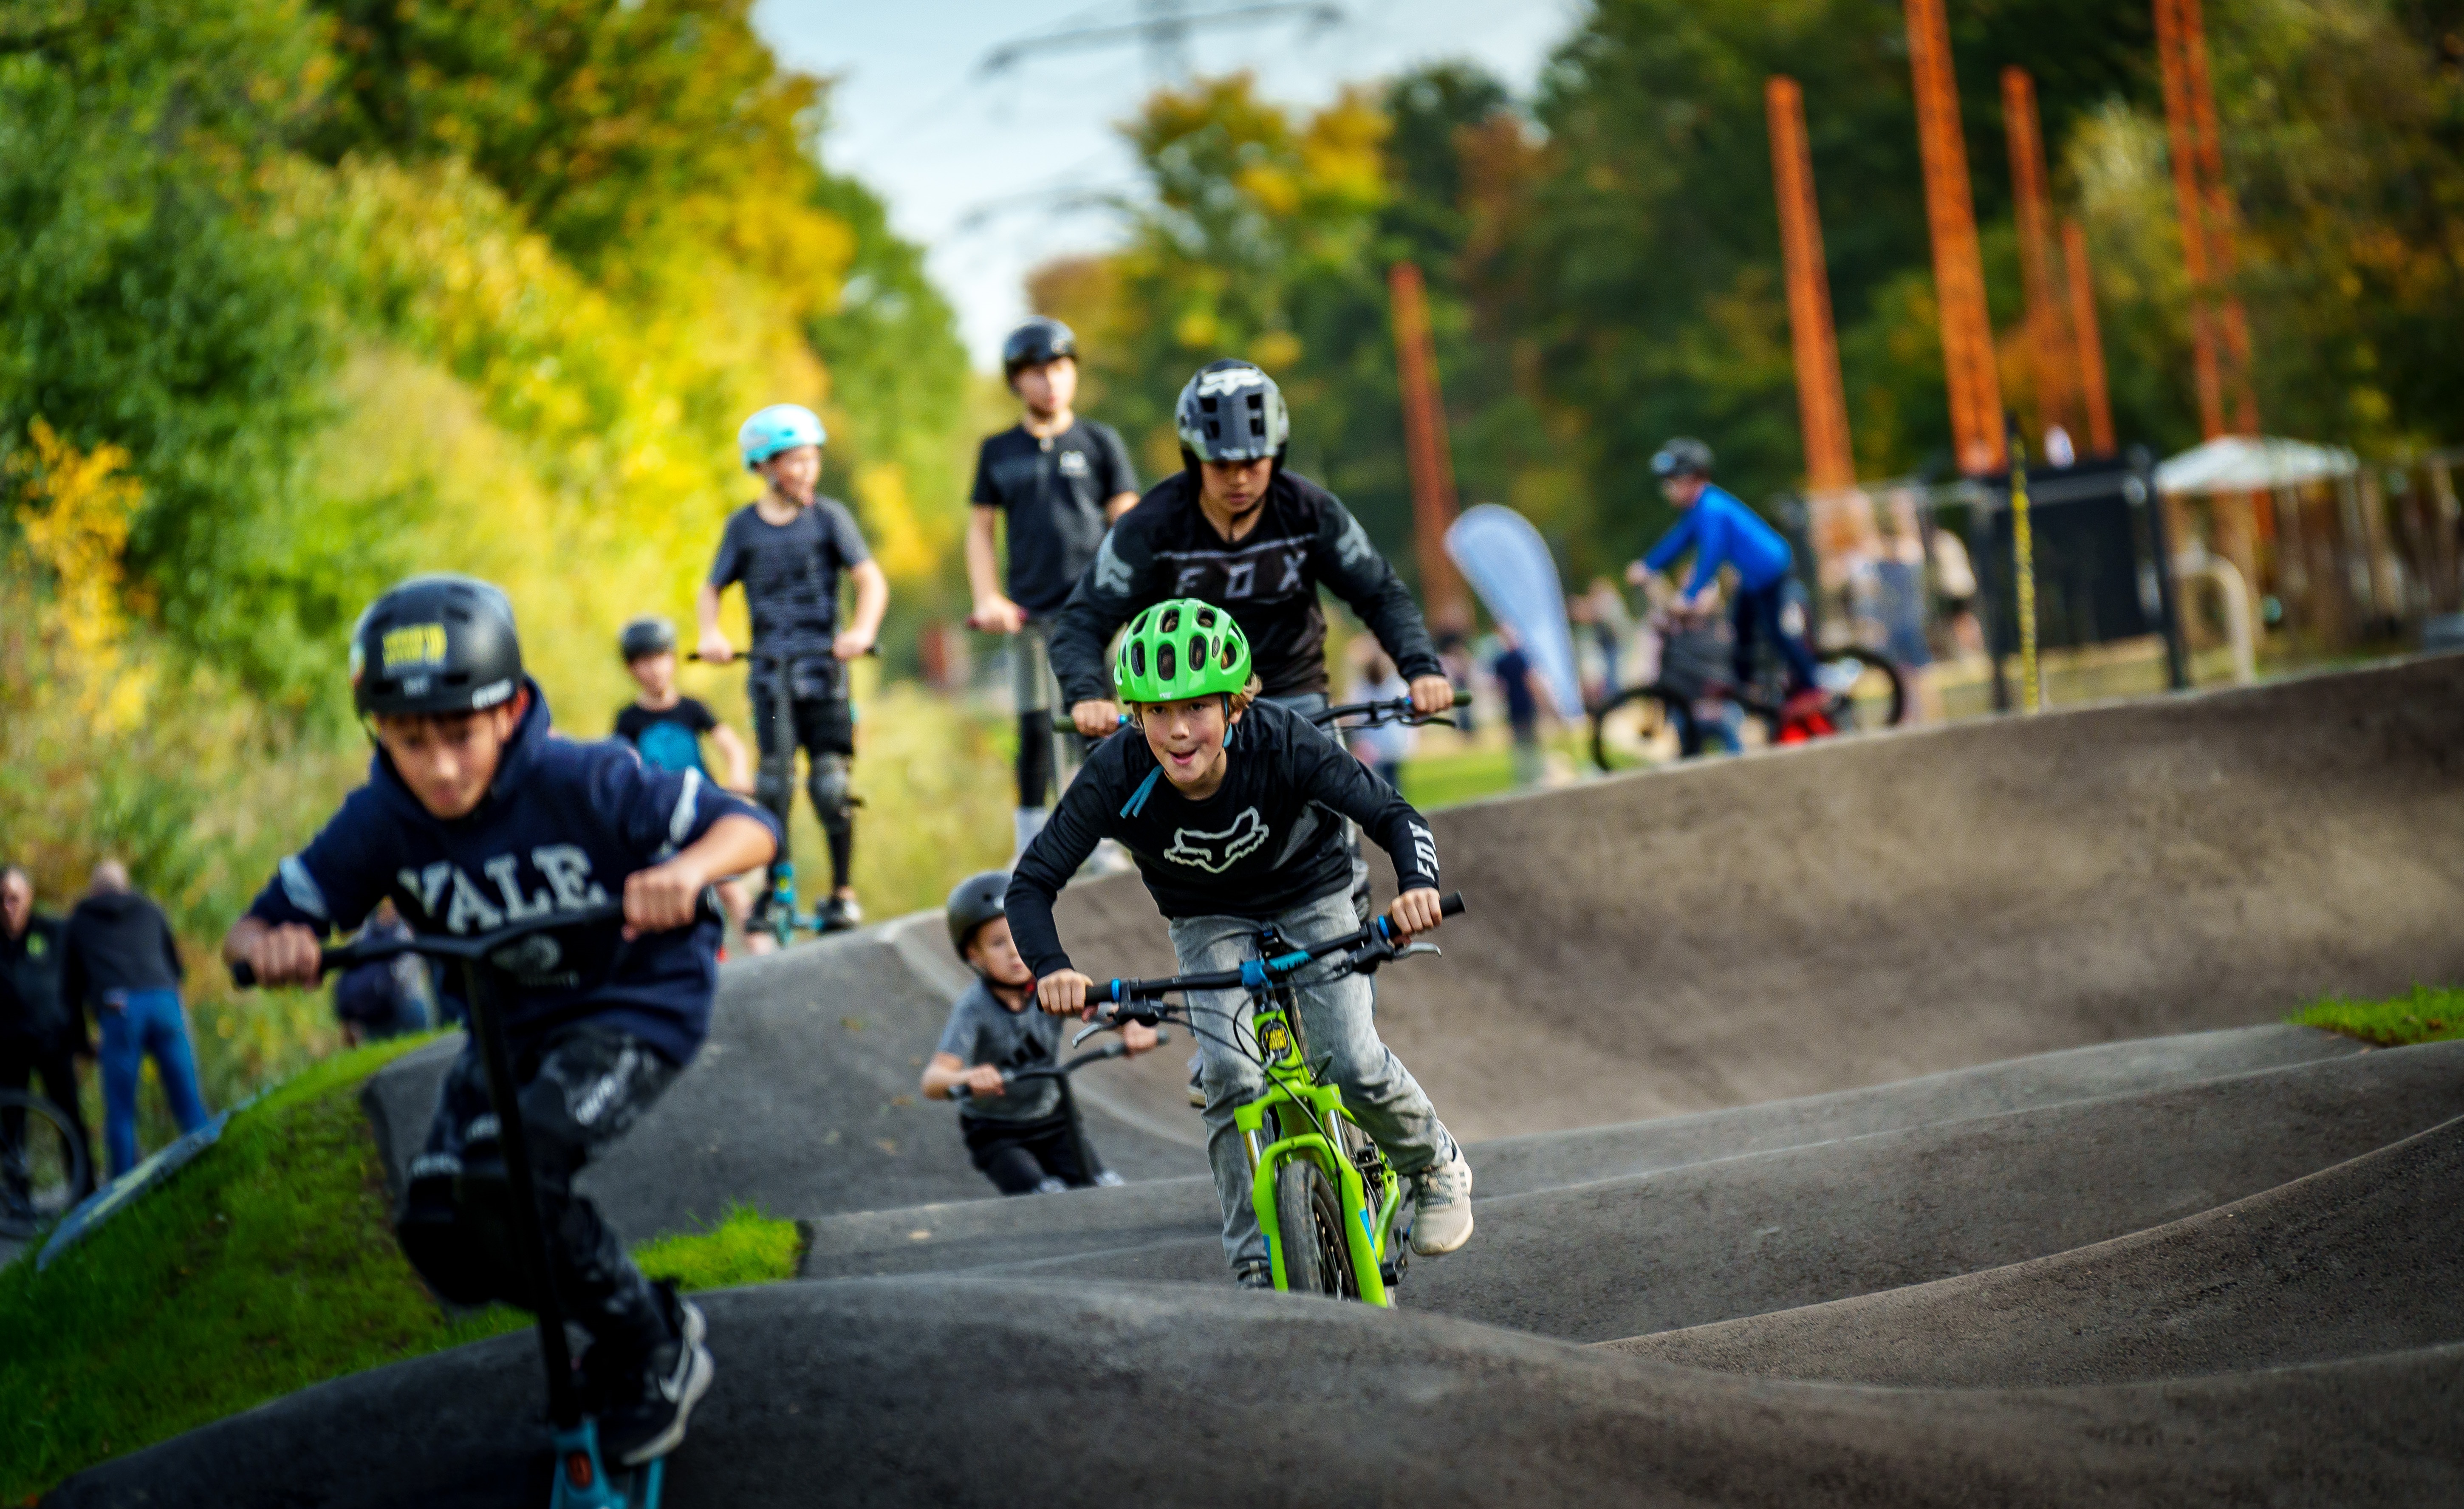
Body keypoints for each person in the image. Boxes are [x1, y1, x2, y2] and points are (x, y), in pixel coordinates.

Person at [224, 574, 779, 1467]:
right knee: (443, 1232)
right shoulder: (381, 821)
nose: (440, 767)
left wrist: (686, 871)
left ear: (511, 709)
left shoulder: (584, 778)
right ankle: (615, 1321)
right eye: (411, 742)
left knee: (512, 1177)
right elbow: (256, 926)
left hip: (628, 1006)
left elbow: (749, 828)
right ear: (379, 733)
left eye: (460, 736)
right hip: (507, 1027)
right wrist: (272, 946)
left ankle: (654, 1343)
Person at [1008, 601, 1475, 1289]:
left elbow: (1394, 814)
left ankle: (1434, 1163)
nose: (1177, 731)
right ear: (1134, 716)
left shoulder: (1281, 739)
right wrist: (1053, 967)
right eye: (1156, 712)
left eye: (1196, 708)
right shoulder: (1115, 773)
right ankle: (1256, 1257)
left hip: (1315, 892)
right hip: (1206, 917)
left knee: (1345, 1054)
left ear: (1235, 705)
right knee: (1229, 1076)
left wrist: (1416, 885)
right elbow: (1031, 884)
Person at [697, 404, 888, 934]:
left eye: (812, 460)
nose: (806, 471)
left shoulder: (830, 518)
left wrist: (861, 632)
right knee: (774, 786)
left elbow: (870, 580)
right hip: (770, 678)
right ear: (762, 466)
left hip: (824, 674)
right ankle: (774, 888)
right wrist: (711, 635)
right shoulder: (743, 529)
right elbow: (711, 588)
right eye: (794, 462)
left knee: (829, 787)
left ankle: (842, 893)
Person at [964, 319, 1141, 857]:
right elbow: (979, 530)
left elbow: (1128, 524)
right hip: (1027, 613)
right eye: (1038, 373)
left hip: (1093, 609)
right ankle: (1030, 841)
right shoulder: (998, 451)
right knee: (1036, 727)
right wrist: (988, 598)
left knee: (1099, 719)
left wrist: (1126, 588)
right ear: (1018, 382)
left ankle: (1108, 833)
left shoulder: (1099, 442)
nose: (1052, 383)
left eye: (1061, 369)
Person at [922, 870, 1155, 1195]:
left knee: (1102, 1189)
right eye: (998, 943)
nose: (1015, 952)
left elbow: (1105, 1013)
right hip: (997, 1132)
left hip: (1054, 1121)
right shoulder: (973, 1009)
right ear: (975, 956)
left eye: (1019, 937)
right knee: (1044, 1196)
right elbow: (933, 1080)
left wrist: (1131, 1027)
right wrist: (966, 1079)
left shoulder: (1050, 991)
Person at [1625, 438, 1824, 720]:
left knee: (1775, 631)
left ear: (1692, 479)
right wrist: (1648, 565)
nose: (1668, 490)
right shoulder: (1699, 510)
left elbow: (1712, 553)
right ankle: (1750, 691)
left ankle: (1812, 685)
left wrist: (1690, 594)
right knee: (1740, 630)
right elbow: (1679, 541)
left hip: (1769, 572)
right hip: (1753, 579)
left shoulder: (1711, 508)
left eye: (1672, 482)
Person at [613, 616, 764, 949]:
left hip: (701, 809)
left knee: (731, 889)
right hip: (660, 818)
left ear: (673, 660)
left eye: (660, 658)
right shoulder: (629, 720)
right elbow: (621, 766)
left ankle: (765, 958)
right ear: (631, 670)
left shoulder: (692, 708)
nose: (654, 670)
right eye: (644, 663)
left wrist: (738, 774)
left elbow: (730, 745)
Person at [63, 859, 210, 1179]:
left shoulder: (79, 920)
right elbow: (175, 966)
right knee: (188, 1100)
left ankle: (124, 1192)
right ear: (125, 885)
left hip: (120, 1009)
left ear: (94, 890)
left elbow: (70, 989)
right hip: (164, 1002)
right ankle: (211, 1164)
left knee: (121, 1113)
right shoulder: (150, 908)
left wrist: (80, 1043)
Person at [1, 864, 96, 1203]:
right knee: (10, 1124)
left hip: (53, 1042)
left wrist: (83, 1037)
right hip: (8, 1047)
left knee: (69, 1114)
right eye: (2, 900)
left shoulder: (55, 932)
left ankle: (86, 1192)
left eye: (14, 898)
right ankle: (17, 1197)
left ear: (29, 898)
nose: (8, 907)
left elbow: (77, 985)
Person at [330, 898, 434, 1046]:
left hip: (373, 1014)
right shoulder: (406, 930)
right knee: (423, 1048)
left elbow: (344, 979)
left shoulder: (360, 935)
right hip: (405, 1004)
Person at [1345, 650, 1414, 791]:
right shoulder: (1364, 689)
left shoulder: (1395, 687)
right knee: (1382, 784)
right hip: (1374, 748)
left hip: (1392, 745)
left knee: (1390, 783)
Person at [1489, 626, 1549, 788]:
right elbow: (1530, 681)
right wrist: (1542, 702)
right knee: (1532, 740)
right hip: (1524, 703)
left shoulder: (1501, 661)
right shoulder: (1519, 657)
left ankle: (1525, 777)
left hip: (1514, 705)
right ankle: (1536, 774)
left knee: (1521, 742)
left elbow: (1499, 687)